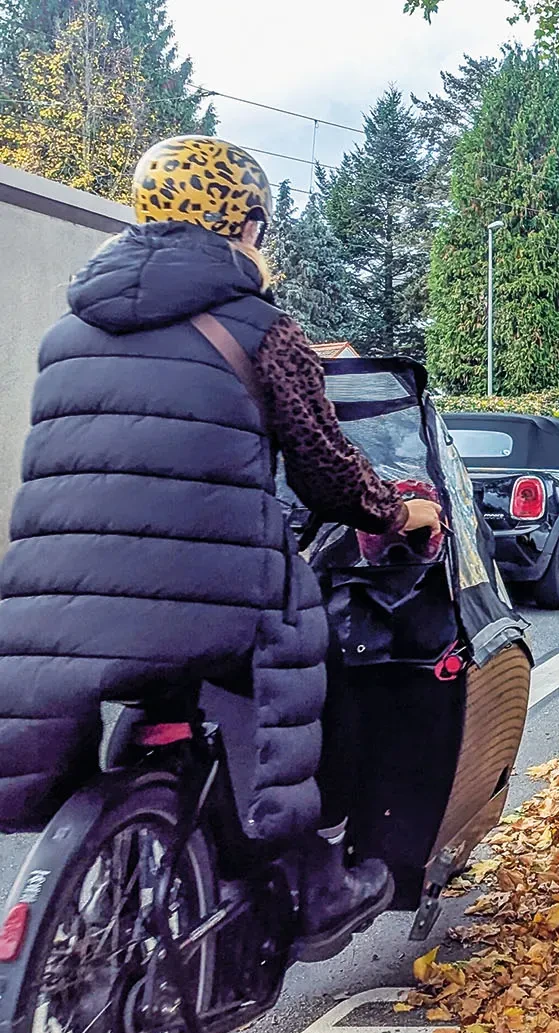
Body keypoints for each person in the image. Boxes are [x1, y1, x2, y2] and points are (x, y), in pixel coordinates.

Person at [0, 135, 441, 958]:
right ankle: (312, 879)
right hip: (217, 596)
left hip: (50, 601)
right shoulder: (261, 328)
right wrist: (398, 513)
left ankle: (109, 853)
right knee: (322, 671)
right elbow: (325, 472)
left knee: (150, 672)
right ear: (242, 224)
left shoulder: (68, 334)